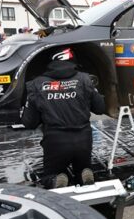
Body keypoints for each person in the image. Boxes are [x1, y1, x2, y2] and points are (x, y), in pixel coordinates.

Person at [21, 48, 106, 188]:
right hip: (83, 139)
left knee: (50, 175)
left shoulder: (37, 83)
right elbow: (100, 108)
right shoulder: (85, 79)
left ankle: (56, 179)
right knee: (82, 168)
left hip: (55, 141)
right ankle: (85, 173)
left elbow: (29, 122)